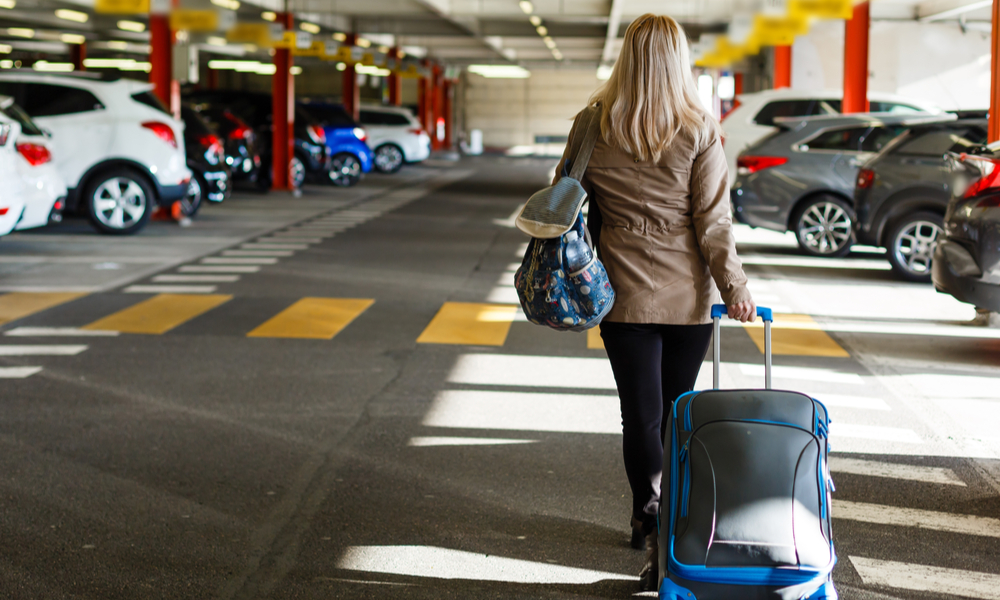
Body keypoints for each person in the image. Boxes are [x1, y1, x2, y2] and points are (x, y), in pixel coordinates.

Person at [552, 14, 756, 591]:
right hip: (688, 297)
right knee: (677, 414)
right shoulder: (698, 129)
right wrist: (736, 289)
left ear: (627, 56)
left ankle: (647, 510)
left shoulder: (593, 125)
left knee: (637, 415)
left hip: (617, 293)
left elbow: (565, 200)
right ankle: (676, 521)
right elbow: (714, 224)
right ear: (678, 60)